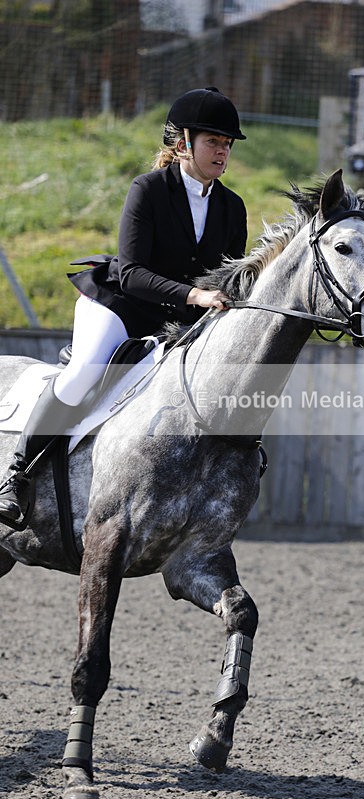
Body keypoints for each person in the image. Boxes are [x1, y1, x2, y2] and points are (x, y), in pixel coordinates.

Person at [0, 87, 247, 522]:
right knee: (85, 372)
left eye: (227, 144)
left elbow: (230, 281)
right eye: (213, 141)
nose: (222, 152)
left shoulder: (232, 207)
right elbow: (132, 274)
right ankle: (15, 477)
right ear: (183, 142)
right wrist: (195, 295)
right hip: (120, 305)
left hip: (178, 319)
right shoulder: (148, 189)